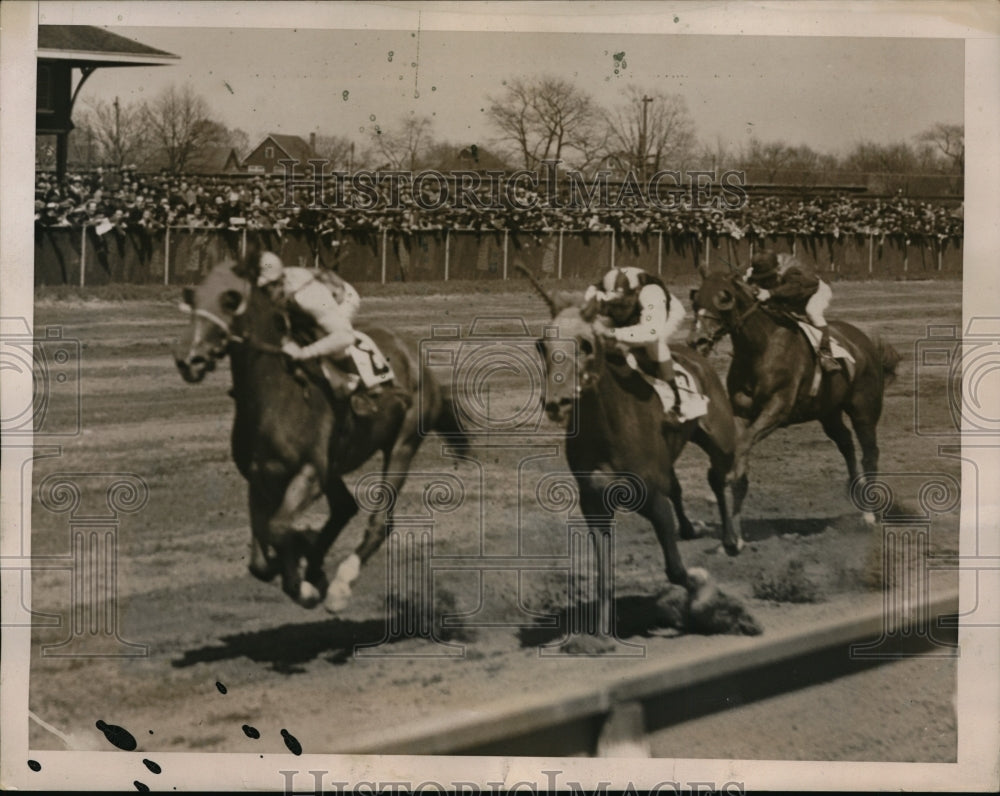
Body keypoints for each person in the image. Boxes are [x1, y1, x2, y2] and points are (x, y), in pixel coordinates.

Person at [256, 251, 366, 399]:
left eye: (264, 289)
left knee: (323, 339)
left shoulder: (307, 297)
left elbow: (344, 336)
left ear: (278, 283)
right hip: (306, 301)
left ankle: (352, 384)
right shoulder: (277, 282)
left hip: (343, 299)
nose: (262, 295)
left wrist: (305, 353)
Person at [584, 265, 686, 423]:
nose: (618, 311)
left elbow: (650, 334)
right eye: (613, 305)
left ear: (636, 292)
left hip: (664, 315)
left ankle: (676, 398)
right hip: (637, 314)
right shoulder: (593, 294)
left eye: (623, 304)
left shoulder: (651, 294)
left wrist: (611, 333)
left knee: (654, 345)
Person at [745, 250, 838, 371]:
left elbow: (795, 288)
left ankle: (826, 354)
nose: (765, 281)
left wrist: (770, 293)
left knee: (812, 312)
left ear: (777, 268)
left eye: (768, 277)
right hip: (791, 295)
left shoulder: (793, 270)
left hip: (814, 292)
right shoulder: (764, 265)